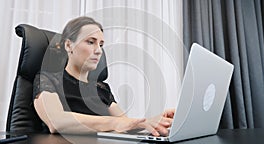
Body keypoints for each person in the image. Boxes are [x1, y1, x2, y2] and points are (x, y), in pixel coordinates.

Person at [33, 16, 175, 137]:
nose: (99, 51)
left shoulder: (101, 88)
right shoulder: (47, 79)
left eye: (101, 44)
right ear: (69, 45)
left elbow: (125, 124)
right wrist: (115, 123)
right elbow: (56, 122)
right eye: (91, 42)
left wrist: (154, 121)